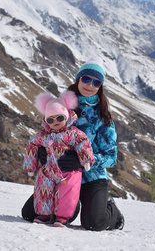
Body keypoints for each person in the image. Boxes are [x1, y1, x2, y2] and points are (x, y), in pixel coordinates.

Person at [22, 57, 125, 231]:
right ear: (78, 79)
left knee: (94, 223)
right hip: (60, 176)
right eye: (86, 79)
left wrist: (82, 161)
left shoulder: (103, 117)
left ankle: (112, 213)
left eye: (96, 82)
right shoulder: (62, 107)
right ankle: (71, 206)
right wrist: (42, 151)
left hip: (92, 177)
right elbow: (47, 132)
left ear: (100, 87)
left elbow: (111, 157)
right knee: (30, 214)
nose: (90, 85)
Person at [23, 90, 96, 228]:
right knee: (43, 189)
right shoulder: (43, 135)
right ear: (46, 120)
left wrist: (85, 160)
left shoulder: (72, 133)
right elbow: (32, 144)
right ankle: (44, 214)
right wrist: (31, 165)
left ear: (67, 116)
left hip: (68, 170)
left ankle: (62, 216)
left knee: (67, 191)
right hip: (48, 169)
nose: (55, 122)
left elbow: (83, 142)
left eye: (60, 118)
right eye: (51, 119)